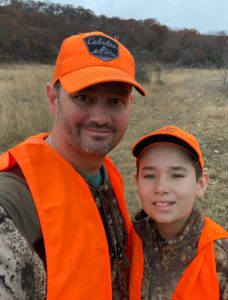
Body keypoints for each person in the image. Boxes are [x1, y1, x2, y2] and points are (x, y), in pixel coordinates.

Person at [0, 31, 145, 299]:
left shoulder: (106, 175)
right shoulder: (12, 199)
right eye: (84, 98)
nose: (101, 118)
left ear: (130, 105)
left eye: (115, 101)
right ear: (53, 100)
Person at [129, 125, 228, 300]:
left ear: (200, 184)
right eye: (149, 176)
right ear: (137, 181)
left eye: (177, 175)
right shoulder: (131, 240)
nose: (161, 188)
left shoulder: (225, 261)